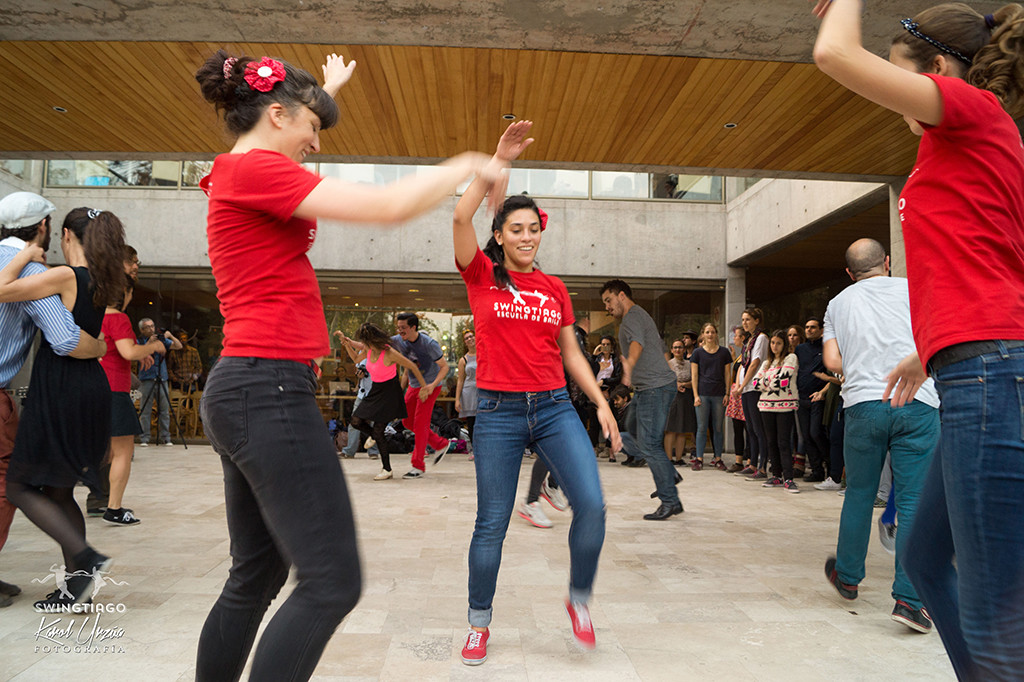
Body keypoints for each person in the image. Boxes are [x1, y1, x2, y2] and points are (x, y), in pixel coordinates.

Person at [194, 49, 505, 681]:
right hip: (266, 385)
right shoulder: (255, 170)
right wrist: (470, 163)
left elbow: (302, 134)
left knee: (255, 575)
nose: (316, 143)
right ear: (276, 115)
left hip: (246, 385)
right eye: (311, 128)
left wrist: (325, 91)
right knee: (331, 582)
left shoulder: (244, 170)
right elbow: (387, 209)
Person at [811, 2, 1024, 677]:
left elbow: (834, 55)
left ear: (936, 72)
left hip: (991, 373)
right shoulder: (968, 138)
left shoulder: (970, 111)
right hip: (975, 366)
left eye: (903, 76)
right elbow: (990, 262)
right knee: (929, 563)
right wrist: (924, 349)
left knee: (997, 615)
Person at [453, 121, 620, 664]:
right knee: (492, 523)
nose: (526, 237)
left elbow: (572, 354)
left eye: (533, 229)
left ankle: (579, 598)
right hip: (498, 413)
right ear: (499, 235)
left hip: (552, 408)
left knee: (591, 504)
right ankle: (479, 622)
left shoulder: (553, 289)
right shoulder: (481, 275)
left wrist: (600, 403)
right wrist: (496, 163)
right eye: (515, 229)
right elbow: (461, 215)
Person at [0, 206, 126, 610]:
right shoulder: (105, 283)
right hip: (92, 385)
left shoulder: (66, 276)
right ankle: (77, 590)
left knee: (18, 485)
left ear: (67, 235)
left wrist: (26, 254)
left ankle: (85, 558)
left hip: (61, 388)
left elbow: (0, 289)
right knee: (58, 490)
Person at [821, 238, 940, 633]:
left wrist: (859, 368)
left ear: (850, 273)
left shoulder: (837, 304)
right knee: (912, 502)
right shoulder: (914, 288)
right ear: (887, 263)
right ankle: (910, 601)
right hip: (917, 401)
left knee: (858, 492)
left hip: (862, 405)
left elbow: (833, 360)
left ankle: (849, 577)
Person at [601, 279, 681, 520]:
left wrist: (629, 366)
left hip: (655, 387)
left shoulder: (633, 316)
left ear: (621, 295)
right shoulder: (637, 316)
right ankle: (669, 474)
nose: (607, 307)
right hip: (651, 387)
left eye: (608, 300)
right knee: (632, 427)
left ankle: (669, 500)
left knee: (649, 443)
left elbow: (637, 344)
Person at [99, 277, 165, 525]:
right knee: (123, 452)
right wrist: (152, 347)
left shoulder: (93, 318)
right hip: (115, 391)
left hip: (95, 388)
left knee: (102, 449)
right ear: (123, 293)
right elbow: (128, 351)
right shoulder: (118, 317)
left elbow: (114, 353)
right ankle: (114, 507)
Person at [336, 323, 428, 480]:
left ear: (372, 339)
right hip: (375, 390)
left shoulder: (389, 352)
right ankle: (374, 435)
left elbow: (412, 365)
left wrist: (424, 387)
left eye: (365, 340)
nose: (363, 343)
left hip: (390, 393)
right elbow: (356, 359)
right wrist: (347, 345)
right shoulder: (368, 350)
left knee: (379, 432)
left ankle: (387, 469)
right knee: (356, 421)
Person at [391, 312, 452, 478]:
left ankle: (418, 465)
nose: (400, 331)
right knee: (406, 421)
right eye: (399, 328)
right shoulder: (398, 340)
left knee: (420, 423)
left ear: (413, 327)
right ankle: (440, 443)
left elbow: (445, 367)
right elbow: (376, 344)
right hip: (414, 385)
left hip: (430, 387)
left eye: (404, 328)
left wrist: (432, 385)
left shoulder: (429, 344)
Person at [751, 329, 800, 493]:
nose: (774, 346)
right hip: (766, 406)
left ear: (784, 344)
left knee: (783, 442)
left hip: (784, 406)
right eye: (772, 343)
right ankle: (776, 475)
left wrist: (766, 382)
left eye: (778, 343)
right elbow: (755, 383)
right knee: (771, 441)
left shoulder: (791, 358)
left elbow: (784, 381)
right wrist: (769, 381)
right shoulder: (766, 363)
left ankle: (789, 478)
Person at [733, 308, 770, 479]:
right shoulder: (748, 341)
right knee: (750, 428)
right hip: (746, 389)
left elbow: (755, 363)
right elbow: (742, 364)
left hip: (754, 388)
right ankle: (752, 463)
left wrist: (743, 385)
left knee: (758, 429)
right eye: (743, 319)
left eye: (748, 319)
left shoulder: (761, 338)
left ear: (757, 320)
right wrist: (739, 386)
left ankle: (762, 467)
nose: (744, 322)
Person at [690, 323, 732, 471]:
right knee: (701, 428)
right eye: (707, 332)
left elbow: (728, 374)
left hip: (719, 394)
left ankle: (718, 458)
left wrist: (728, 393)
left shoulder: (724, 352)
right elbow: (694, 375)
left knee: (718, 427)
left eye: (713, 332)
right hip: (702, 393)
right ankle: (699, 459)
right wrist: (695, 395)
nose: (710, 335)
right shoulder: (697, 353)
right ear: (703, 334)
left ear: (716, 334)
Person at [135, 317, 182, 446]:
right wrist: (149, 343)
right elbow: (137, 354)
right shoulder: (139, 341)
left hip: (162, 378)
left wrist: (170, 336)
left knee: (164, 410)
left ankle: (166, 437)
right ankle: (144, 438)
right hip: (147, 379)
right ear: (142, 330)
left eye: (152, 326)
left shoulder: (161, 341)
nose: (151, 329)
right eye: (148, 327)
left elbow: (178, 346)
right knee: (146, 410)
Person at [795, 317, 829, 482]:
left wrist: (822, 392)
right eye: (807, 327)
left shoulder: (827, 348)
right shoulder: (800, 349)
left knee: (816, 433)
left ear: (821, 330)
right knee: (807, 436)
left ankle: (830, 467)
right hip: (801, 398)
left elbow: (833, 374)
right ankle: (816, 471)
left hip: (818, 397)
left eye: (813, 327)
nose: (809, 330)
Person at [664, 335, 697, 466]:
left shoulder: (690, 364)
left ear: (684, 349)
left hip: (686, 398)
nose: (678, 350)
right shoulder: (667, 364)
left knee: (682, 429)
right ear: (672, 350)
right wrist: (675, 385)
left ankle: (678, 458)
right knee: (671, 429)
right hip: (672, 398)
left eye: (680, 347)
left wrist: (684, 385)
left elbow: (695, 380)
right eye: (675, 347)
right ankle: (668, 459)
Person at [725, 326, 749, 472]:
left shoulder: (749, 353)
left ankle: (751, 461)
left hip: (745, 392)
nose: (734, 339)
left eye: (736, 336)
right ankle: (738, 460)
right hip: (736, 394)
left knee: (749, 429)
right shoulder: (741, 355)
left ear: (743, 338)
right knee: (737, 428)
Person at [455, 328, 478, 456]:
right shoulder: (463, 360)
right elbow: (460, 380)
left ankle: (484, 449)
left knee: (484, 421)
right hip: (468, 392)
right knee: (471, 422)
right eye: (467, 338)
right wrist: (457, 399)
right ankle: (475, 450)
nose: (470, 339)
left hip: (482, 390)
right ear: (465, 343)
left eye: (471, 336)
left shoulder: (484, 354)